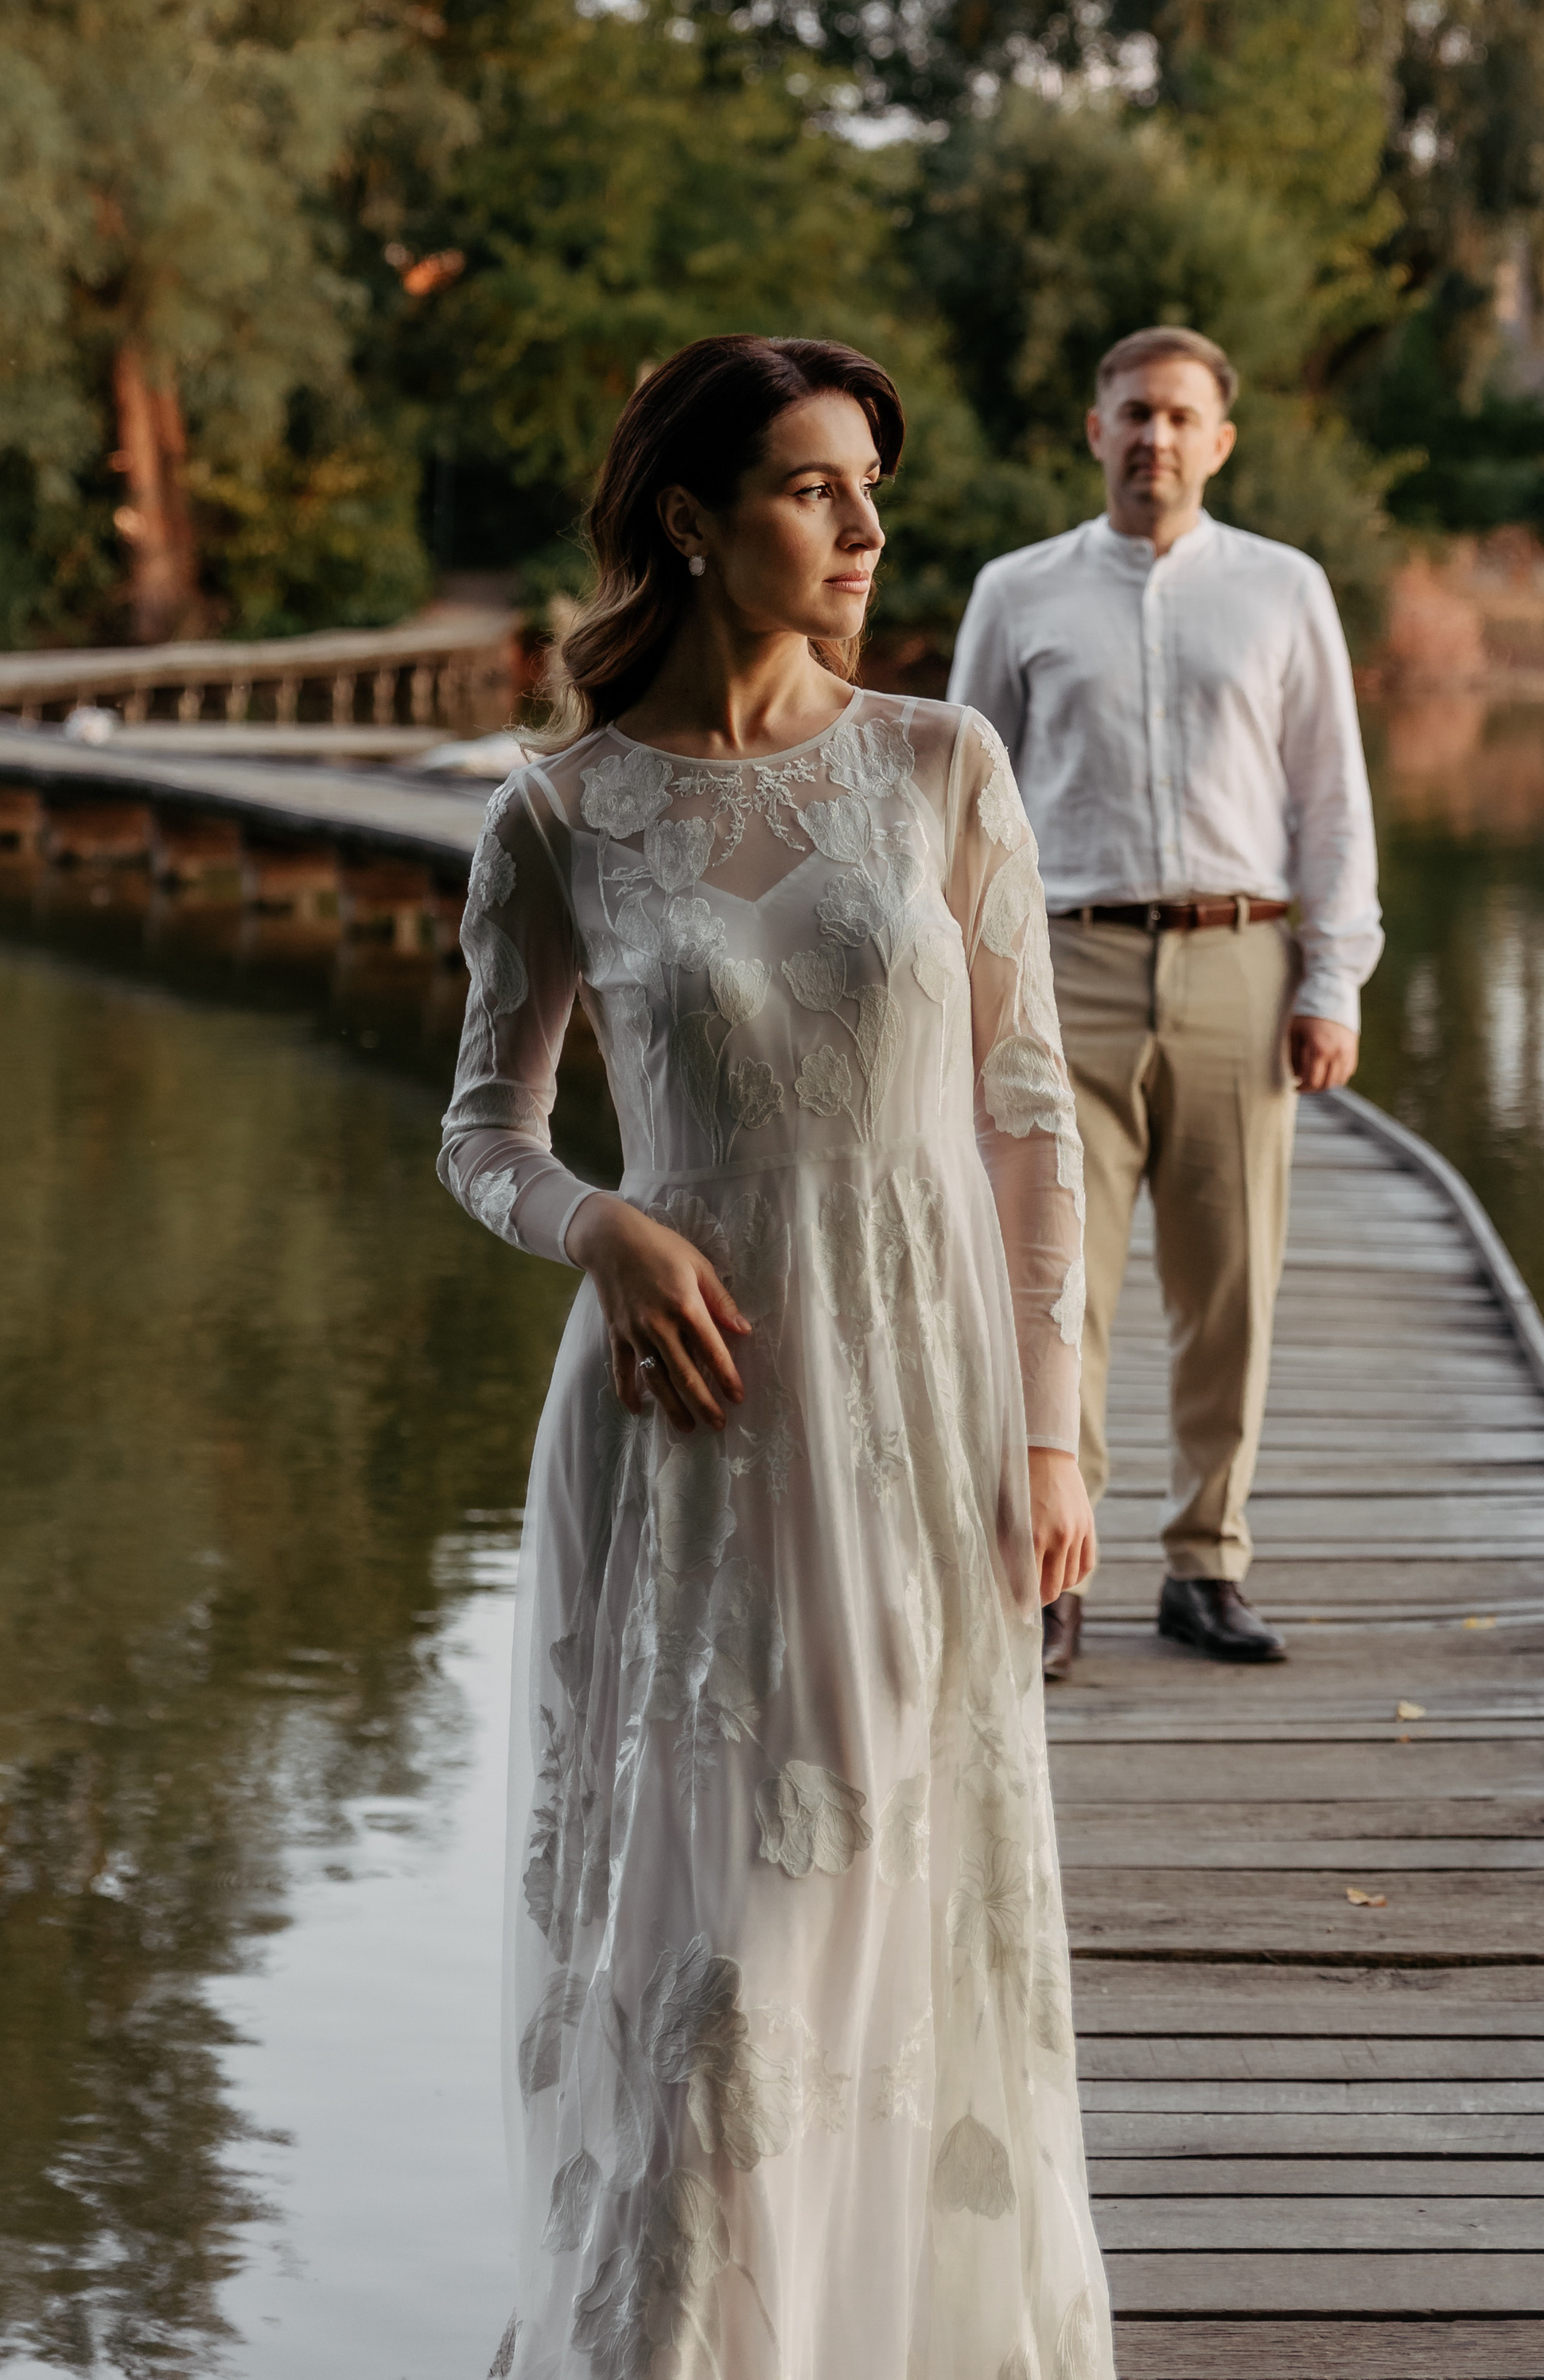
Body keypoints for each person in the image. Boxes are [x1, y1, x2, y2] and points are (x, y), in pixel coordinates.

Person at [440, 335, 1110, 2380]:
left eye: (867, 487)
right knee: (713, 1959)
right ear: (690, 518)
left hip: (917, 1416)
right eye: (816, 488)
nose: (867, 530)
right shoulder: (559, 816)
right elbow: (484, 1133)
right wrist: (604, 1227)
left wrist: (1061, 1439)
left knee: (876, 1902)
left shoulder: (936, 767)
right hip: (690, 1428)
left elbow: (1028, 1120)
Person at [947, 327, 1382, 1677]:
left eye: (1183, 417)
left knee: (1229, 1283)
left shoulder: (1284, 590)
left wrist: (1333, 980)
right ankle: (1051, 1576)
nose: (1157, 439)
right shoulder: (1018, 594)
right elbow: (961, 807)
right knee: (1052, 1283)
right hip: (1060, 966)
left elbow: (1332, 800)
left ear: (1220, 439)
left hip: (1239, 967)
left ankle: (1206, 1563)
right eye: (1136, 414)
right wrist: (959, 990)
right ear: (1096, 430)